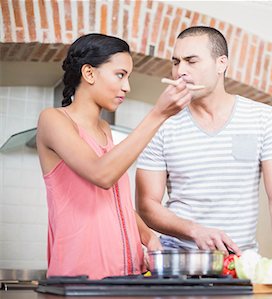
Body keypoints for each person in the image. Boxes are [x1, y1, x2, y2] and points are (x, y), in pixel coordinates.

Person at [36, 33, 192, 279]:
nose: (127, 87)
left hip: (126, 276)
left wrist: (148, 236)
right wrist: (158, 114)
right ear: (89, 74)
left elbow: (115, 204)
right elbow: (102, 174)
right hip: (82, 279)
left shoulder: (104, 130)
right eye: (120, 75)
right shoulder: (52, 119)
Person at [136, 26, 272, 257]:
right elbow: (147, 206)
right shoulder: (161, 122)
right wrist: (195, 231)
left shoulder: (262, 117)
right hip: (178, 261)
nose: (180, 71)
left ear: (221, 63)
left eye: (191, 61)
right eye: (176, 62)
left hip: (240, 261)